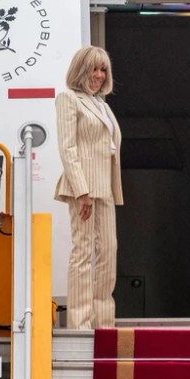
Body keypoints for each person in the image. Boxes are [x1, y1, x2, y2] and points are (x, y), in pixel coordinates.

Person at [54, 46, 123, 329]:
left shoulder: (102, 104)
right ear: (81, 70)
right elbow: (67, 148)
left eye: (103, 69)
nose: (98, 75)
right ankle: (80, 324)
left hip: (105, 186)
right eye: (93, 69)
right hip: (82, 187)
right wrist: (81, 191)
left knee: (108, 252)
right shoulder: (68, 99)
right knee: (82, 253)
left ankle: (103, 323)